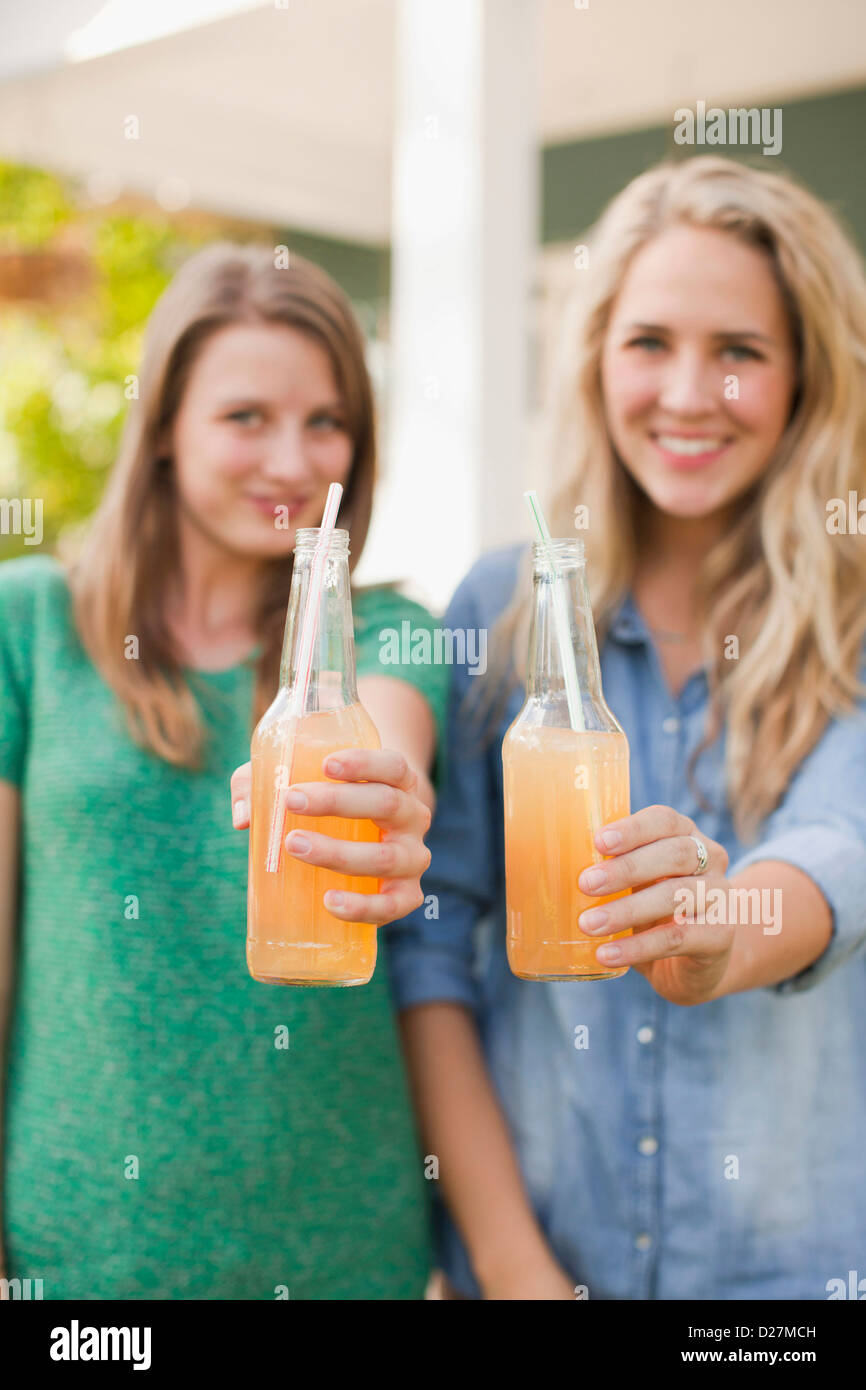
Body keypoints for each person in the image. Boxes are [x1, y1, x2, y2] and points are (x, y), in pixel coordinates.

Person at [387, 156, 866, 1300]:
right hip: (543, 1263)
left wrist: (720, 930)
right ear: (595, 359)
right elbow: (431, 942)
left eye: (738, 352)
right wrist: (512, 1269)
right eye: (650, 342)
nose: (687, 393)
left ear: (804, 374)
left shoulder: (852, 618)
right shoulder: (499, 611)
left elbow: (840, 845)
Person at [0, 244, 446, 1299]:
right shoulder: (29, 624)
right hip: (81, 1262)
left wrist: (379, 805)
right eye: (246, 417)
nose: (293, 462)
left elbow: (384, 744)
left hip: (347, 1257)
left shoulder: (393, 632)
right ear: (160, 430)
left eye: (325, 422)